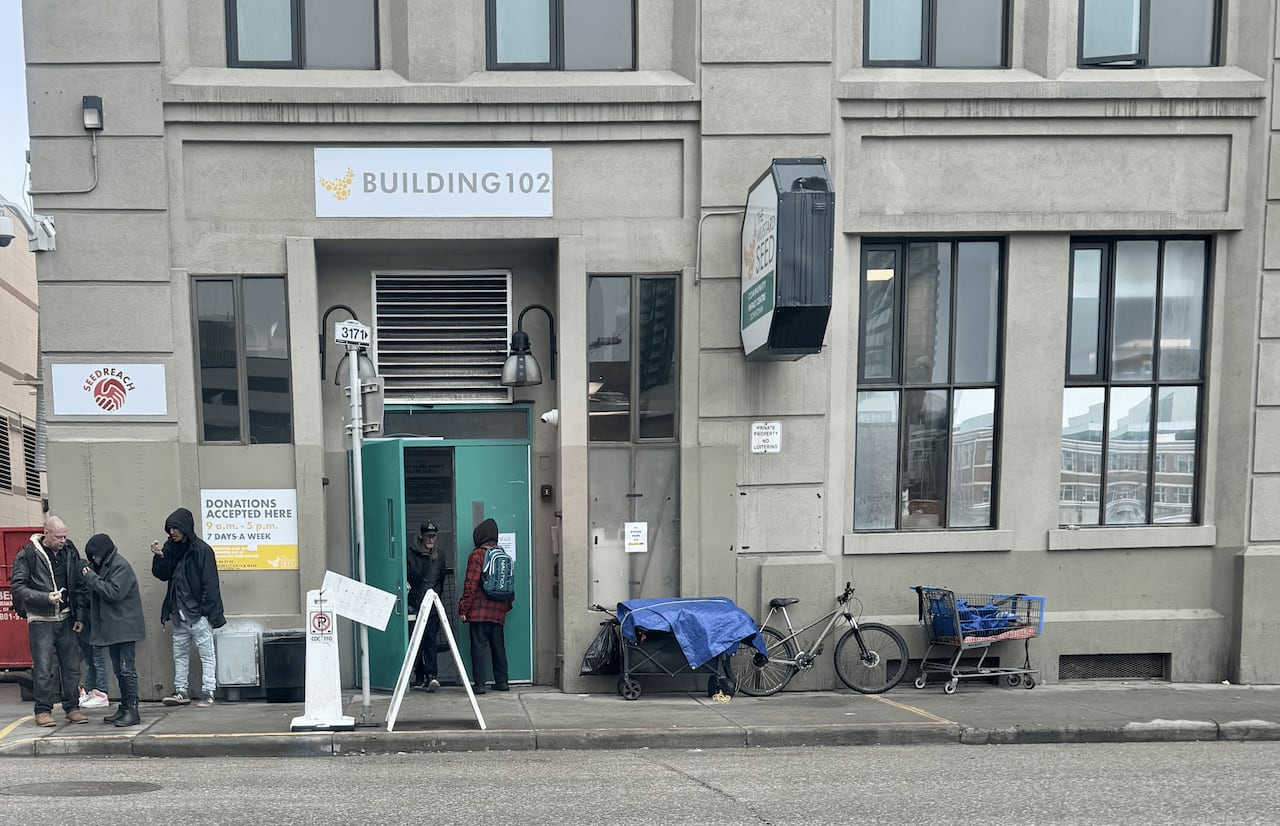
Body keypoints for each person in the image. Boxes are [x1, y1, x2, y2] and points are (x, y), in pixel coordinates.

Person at [9, 515, 89, 726]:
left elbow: (78, 586)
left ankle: (72, 707)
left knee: (71, 667)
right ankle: (43, 711)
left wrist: (79, 616)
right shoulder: (28, 555)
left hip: (66, 617)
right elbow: (17, 586)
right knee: (44, 668)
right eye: (59, 537)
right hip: (41, 619)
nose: (63, 541)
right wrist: (44, 597)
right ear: (46, 534)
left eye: (65, 536)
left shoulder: (70, 552)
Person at [151, 507, 226, 707]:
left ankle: (208, 691)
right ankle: (181, 691)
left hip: (197, 615)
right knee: (181, 654)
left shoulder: (202, 550)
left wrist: (204, 612)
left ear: (185, 527)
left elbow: (211, 585)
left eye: (175, 527)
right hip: (179, 614)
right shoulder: (170, 548)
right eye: (170, 528)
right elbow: (162, 574)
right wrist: (159, 556)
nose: (172, 532)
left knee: (206, 654)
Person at [80, 534, 146, 727]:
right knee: (119, 670)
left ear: (103, 552)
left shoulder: (120, 566)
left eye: (95, 556)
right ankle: (125, 707)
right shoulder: (104, 566)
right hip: (114, 628)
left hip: (125, 628)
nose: (93, 560)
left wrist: (91, 577)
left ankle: (132, 710)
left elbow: (114, 593)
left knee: (126, 670)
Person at [457, 518, 511, 694]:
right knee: (498, 646)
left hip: (479, 612)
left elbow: (471, 584)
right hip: (498, 611)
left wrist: (464, 608)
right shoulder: (504, 555)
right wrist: (506, 606)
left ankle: (480, 684)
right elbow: (509, 583)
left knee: (479, 647)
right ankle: (502, 681)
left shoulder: (477, 555)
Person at [407, 521, 447, 691]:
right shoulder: (411, 555)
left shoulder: (438, 555)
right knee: (417, 641)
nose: (431, 539)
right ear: (421, 536)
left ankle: (431, 675)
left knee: (429, 639)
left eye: (434, 537)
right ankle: (420, 674)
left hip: (429, 604)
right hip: (415, 604)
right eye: (429, 536)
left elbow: (441, 580)